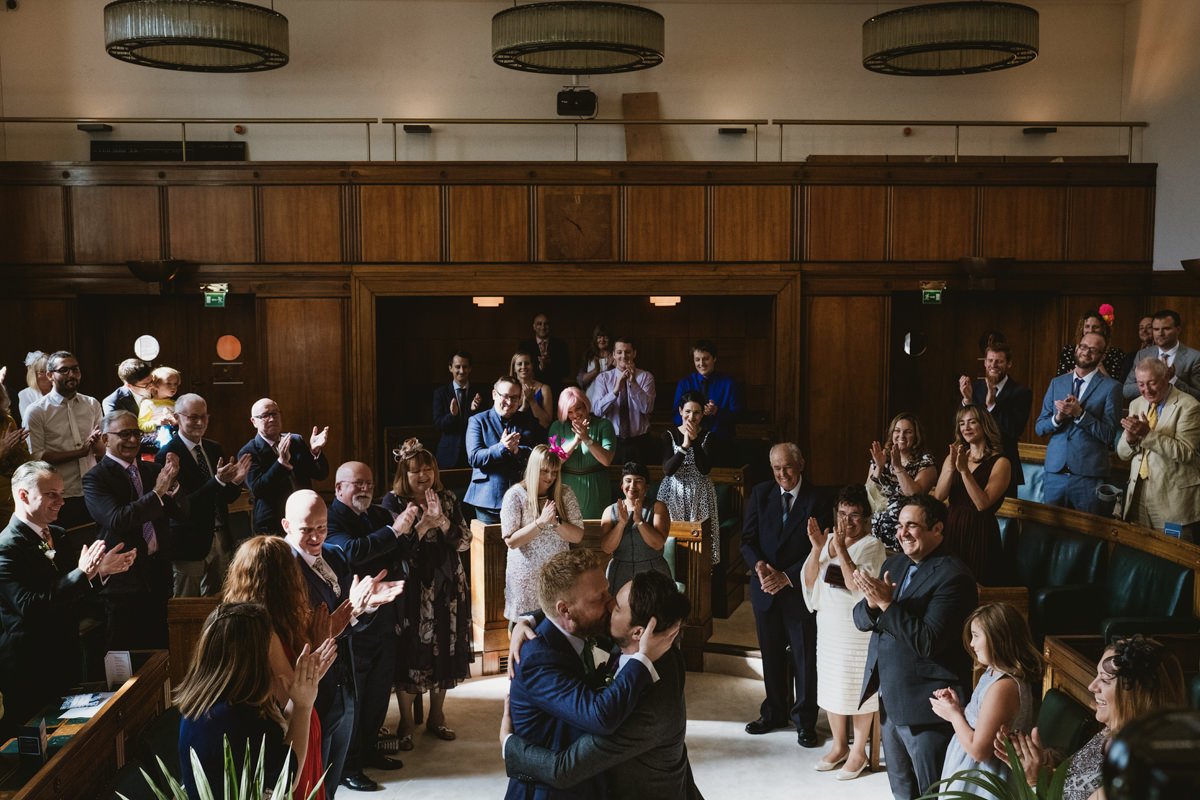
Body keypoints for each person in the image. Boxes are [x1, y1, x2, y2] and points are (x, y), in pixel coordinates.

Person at [502, 570, 702, 800]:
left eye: (616, 607)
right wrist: (527, 621)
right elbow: (573, 617)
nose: (607, 606)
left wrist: (509, 745)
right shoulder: (649, 648)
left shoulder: (646, 711)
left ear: (640, 632)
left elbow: (564, 770)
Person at [851, 494, 979, 800]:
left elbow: (928, 641)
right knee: (902, 791)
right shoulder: (894, 564)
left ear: (937, 529)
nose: (902, 532)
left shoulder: (955, 577)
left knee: (931, 793)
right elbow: (860, 619)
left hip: (927, 706)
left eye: (912, 526)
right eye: (899, 525)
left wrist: (885, 603)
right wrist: (872, 604)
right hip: (891, 699)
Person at [282, 489, 406, 796]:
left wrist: (366, 606)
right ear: (286, 526)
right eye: (306, 530)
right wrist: (347, 614)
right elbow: (298, 636)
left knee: (332, 783)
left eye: (321, 528)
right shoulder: (280, 568)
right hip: (309, 692)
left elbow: (350, 622)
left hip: (344, 683)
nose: (316, 537)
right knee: (311, 786)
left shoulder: (335, 556)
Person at [0, 461, 135, 737]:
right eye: (52, 494)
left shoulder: (59, 536)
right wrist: (82, 574)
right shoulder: (6, 547)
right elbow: (30, 606)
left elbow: (71, 595)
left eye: (61, 493)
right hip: (30, 666)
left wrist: (99, 573)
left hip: (66, 655)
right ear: (23, 495)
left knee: (74, 739)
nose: (62, 501)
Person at [175, 601, 336, 800]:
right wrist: (303, 706)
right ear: (254, 658)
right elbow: (285, 779)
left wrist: (302, 690)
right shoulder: (240, 715)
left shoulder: (203, 703)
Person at [222, 535, 340, 800]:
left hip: (268, 724)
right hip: (289, 726)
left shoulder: (236, 619)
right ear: (287, 577)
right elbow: (290, 690)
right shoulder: (267, 630)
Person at [997, 635, 1185, 800]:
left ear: (1136, 695)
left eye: (1104, 680)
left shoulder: (1133, 772)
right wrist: (1042, 768)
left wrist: (1033, 781)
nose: (1092, 687)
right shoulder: (1110, 733)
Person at [380, 439, 473, 751]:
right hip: (412, 586)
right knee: (410, 648)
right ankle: (406, 720)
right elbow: (392, 548)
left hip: (447, 584)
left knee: (445, 644)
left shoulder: (447, 497)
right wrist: (423, 524)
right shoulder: (392, 502)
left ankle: (437, 715)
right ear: (403, 474)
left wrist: (442, 520)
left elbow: (465, 542)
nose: (423, 475)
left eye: (428, 468)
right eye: (415, 470)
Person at [326, 460, 417, 776]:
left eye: (368, 483)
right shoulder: (331, 517)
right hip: (352, 620)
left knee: (379, 689)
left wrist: (413, 528)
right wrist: (393, 532)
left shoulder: (377, 514)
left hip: (385, 614)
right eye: (357, 483)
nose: (365, 488)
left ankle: (370, 752)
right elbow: (351, 553)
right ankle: (349, 767)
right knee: (356, 694)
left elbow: (401, 550)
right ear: (339, 488)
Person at [741, 442, 829, 748]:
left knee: (805, 657)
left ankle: (805, 721)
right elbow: (747, 540)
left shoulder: (818, 498)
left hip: (799, 590)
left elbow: (821, 548)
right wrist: (759, 565)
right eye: (777, 469)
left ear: (801, 463)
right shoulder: (761, 493)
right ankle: (775, 712)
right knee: (772, 654)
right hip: (765, 587)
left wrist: (787, 576)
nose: (782, 475)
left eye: (788, 467)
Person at [799, 485, 887, 782]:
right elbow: (811, 581)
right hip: (830, 627)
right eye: (842, 514)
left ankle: (859, 751)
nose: (847, 522)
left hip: (857, 630)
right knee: (833, 687)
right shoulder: (828, 542)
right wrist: (816, 548)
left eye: (854, 516)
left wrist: (841, 551)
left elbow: (855, 584)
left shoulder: (873, 546)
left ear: (865, 519)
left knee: (857, 689)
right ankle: (838, 746)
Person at [84, 409, 188, 649]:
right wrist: (157, 493)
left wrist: (174, 483)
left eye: (136, 433)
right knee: (127, 656)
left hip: (158, 576)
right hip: (124, 582)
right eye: (125, 434)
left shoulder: (151, 470)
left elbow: (183, 513)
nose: (133, 440)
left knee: (162, 651)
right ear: (105, 439)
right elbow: (118, 520)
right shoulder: (96, 478)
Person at [933, 602, 1042, 798]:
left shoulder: (1004, 686)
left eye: (976, 636)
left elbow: (979, 751)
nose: (972, 644)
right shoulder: (992, 672)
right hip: (970, 768)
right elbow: (984, 720)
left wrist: (953, 715)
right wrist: (960, 708)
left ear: (997, 639)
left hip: (984, 780)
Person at [158, 393, 250, 597]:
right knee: (186, 608)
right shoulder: (168, 454)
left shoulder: (213, 447)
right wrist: (217, 481)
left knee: (220, 602)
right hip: (189, 543)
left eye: (204, 416)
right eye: (192, 417)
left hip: (220, 538)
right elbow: (183, 505)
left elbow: (224, 498)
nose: (199, 422)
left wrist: (235, 481)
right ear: (177, 417)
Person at [1035, 331, 1122, 514]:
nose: (1086, 352)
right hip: (1054, 474)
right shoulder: (1056, 383)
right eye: (1083, 346)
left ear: (1102, 356)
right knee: (1049, 533)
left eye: (1093, 349)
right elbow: (1040, 427)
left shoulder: (1111, 387)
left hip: (1089, 477)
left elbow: (1108, 435)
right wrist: (1058, 418)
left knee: (1089, 536)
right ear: (1076, 348)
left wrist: (1080, 414)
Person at [1117, 358, 1200, 539]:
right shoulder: (1136, 404)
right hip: (1137, 496)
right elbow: (1123, 454)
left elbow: (1185, 452)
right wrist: (1130, 439)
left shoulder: (1189, 406)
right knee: (1141, 556)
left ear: (1166, 378)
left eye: (1152, 383)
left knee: (1174, 560)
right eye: (1141, 384)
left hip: (1173, 502)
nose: (1147, 390)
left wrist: (1147, 435)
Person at [502, 444, 584, 623]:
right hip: (525, 579)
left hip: (557, 577)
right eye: (544, 471)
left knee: (557, 630)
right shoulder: (515, 495)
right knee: (524, 634)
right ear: (533, 469)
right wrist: (540, 523)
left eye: (554, 472)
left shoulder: (565, 493)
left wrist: (556, 522)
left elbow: (577, 536)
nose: (550, 477)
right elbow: (511, 541)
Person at [25, 351, 105, 528]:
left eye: (75, 370)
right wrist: (80, 453)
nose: (71, 375)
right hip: (58, 494)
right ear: (50, 375)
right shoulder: (37, 411)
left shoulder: (92, 404)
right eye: (64, 370)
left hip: (92, 489)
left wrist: (98, 443)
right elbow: (36, 458)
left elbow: (101, 450)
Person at [932, 405, 1010, 585]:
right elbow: (939, 496)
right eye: (962, 423)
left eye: (972, 422)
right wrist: (952, 467)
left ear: (984, 425)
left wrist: (965, 472)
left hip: (980, 530)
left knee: (975, 585)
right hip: (952, 524)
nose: (966, 428)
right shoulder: (954, 457)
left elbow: (982, 504)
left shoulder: (1001, 462)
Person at [239, 397, 331, 535]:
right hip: (273, 524)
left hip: (305, 519)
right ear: (254, 422)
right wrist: (280, 463)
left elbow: (320, 474)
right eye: (265, 416)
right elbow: (258, 489)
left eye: (275, 414)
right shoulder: (249, 451)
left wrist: (315, 451)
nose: (272, 419)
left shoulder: (296, 441)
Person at [957, 341, 1033, 497]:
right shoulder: (975, 389)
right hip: (974, 465)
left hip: (1005, 466)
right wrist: (967, 401)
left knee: (1006, 520)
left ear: (1009, 364)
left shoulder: (1021, 392)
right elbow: (959, 426)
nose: (994, 365)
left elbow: (1013, 430)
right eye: (990, 360)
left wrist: (992, 405)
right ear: (985, 363)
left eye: (999, 361)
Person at [465, 375, 540, 525]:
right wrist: (501, 447)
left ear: (520, 399)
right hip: (488, 498)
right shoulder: (478, 421)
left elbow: (536, 453)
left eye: (514, 398)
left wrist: (517, 451)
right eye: (505, 396)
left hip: (522, 496)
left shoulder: (527, 421)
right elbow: (474, 457)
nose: (510, 402)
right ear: (494, 395)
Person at [659, 389, 720, 562]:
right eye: (687, 412)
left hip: (700, 493)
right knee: (672, 541)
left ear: (702, 414)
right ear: (680, 411)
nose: (691, 417)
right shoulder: (668, 435)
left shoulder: (708, 436)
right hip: (672, 493)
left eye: (696, 412)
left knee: (700, 542)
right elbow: (667, 470)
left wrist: (694, 443)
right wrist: (684, 446)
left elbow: (704, 469)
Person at [868, 412, 937, 551]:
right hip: (876, 537)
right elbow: (868, 494)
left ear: (916, 436)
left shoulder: (925, 462)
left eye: (908, 432)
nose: (901, 436)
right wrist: (879, 468)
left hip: (906, 537)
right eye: (897, 431)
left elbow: (913, 495)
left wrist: (898, 467)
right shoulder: (882, 458)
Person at [600, 461, 671, 595]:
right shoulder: (609, 511)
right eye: (628, 481)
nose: (632, 485)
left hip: (653, 571)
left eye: (638, 481)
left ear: (647, 486)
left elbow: (657, 544)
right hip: (620, 572)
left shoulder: (658, 507)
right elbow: (607, 548)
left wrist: (639, 522)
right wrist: (621, 524)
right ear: (622, 485)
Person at [548, 387, 615, 521]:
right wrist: (575, 441)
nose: (575, 415)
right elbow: (554, 462)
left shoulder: (604, 425)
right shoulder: (557, 426)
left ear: (585, 405)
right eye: (570, 412)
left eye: (578, 408)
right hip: (567, 485)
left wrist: (587, 439)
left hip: (596, 487)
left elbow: (607, 460)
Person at [591, 337, 656, 464]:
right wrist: (614, 391)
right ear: (614, 354)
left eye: (627, 352)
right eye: (619, 352)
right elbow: (597, 411)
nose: (623, 356)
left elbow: (647, 408)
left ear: (634, 353)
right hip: (611, 441)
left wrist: (633, 384)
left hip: (640, 442)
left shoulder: (646, 377)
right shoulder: (603, 379)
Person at [1123, 309, 1200, 402]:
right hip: (1147, 414)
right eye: (1156, 329)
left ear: (1178, 330)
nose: (1160, 333)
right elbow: (1126, 390)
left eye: (1166, 329)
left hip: (1179, 413)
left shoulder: (1195, 357)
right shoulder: (1142, 354)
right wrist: (1153, 384)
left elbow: (1197, 395)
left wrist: (1172, 380)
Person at [672, 339, 741, 441]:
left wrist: (717, 411)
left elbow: (737, 415)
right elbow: (676, 416)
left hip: (721, 440)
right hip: (690, 439)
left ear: (714, 358)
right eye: (697, 359)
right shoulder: (684, 383)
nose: (701, 363)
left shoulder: (728, 383)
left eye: (706, 359)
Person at [432, 351, 486, 470]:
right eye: (457, 367)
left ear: (470, 368)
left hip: (473, 454)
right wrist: (452, 415)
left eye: (465, 367)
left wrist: (474, 411)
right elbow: (438, 425)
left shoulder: (480, 393)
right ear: (450, 368)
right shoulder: (440, 393)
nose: (461, 371)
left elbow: (484, 425)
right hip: (448, 456)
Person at [1058, 309, 1125, 378]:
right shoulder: (1069, 351)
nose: (1090, 330)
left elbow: (1114, 385)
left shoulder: (1116, 354)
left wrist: (1099, 363)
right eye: (1087, 326)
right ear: (1082, 329)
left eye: (1095, 327)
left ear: (1103, 329)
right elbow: (1061, 382)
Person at [0, 380, 32, 518]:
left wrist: (19, 449)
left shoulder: (7, 421)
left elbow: (23, 464)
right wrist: (2, 451)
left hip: (14, 496)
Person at [518, 312, 571, 391]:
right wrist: (540, 367)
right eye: (539, 324)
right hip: (531, 389)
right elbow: (521, 370)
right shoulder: (524, 346)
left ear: (550, 326)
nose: (543, 327)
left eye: (546, 324)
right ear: (534, 327)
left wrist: (550, 364)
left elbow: (566, 370)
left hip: (555, 389)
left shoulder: (560, 345)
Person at [512, 351, 555, 429]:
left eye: (527, 363)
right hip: (514, 435)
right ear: (514, 368)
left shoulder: (544, 389)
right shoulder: (509, 389)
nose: (523, 367)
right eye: (519, 364)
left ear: (532, 366)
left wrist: (532, 401)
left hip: (539, 437)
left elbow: (545, 423)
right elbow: (507, 422)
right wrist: (524, 407)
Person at [137, 365, 181, 432]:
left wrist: (176, 422)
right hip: (155, 438)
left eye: (175, 384)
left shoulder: (177, 403)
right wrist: (157, 423)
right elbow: (141, 426)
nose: (173, 387)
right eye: (168, 383)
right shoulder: (147, 403)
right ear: (156, 385)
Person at [576, 324, 612, 405]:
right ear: (595, 338)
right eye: (599, 337)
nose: (602, 340)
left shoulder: (615, 355)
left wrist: (609, 368)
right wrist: (595, 371)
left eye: (605, 337)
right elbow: (580, 380)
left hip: (609, 401)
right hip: (590, 399)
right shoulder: (588, 355)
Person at [1118, 315, 1156, 384]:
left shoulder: (1163, 353)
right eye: (1141, 328)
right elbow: (1123, 383)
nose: (1144, 330)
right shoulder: (1131, 356)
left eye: (1149, 327)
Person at [17, 351, 51, 422]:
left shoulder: (59, 391)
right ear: (33, 375)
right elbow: (29, 421)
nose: (47, 375)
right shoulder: (24, 394)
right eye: (42, 371)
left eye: (49, 371)